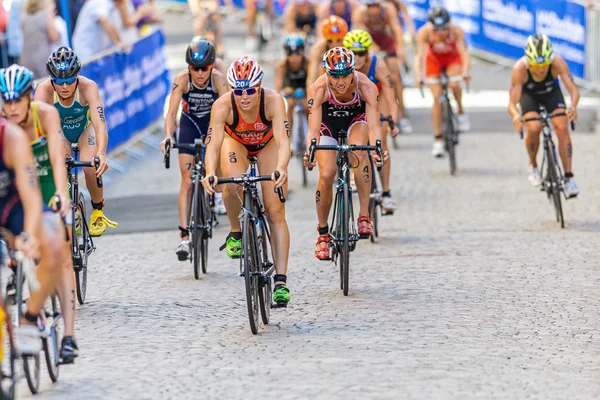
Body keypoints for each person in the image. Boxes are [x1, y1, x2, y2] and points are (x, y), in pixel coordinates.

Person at [0, 64, 79, 362]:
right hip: (13, 187)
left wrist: (61, 193)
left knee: (61, 251)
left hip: (45, 183)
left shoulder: (45, 114)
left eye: (17, 100)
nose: (12, 108)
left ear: (29, 98)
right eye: (5, 101)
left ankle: (69, 335)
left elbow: (59, 158)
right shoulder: (4, 128)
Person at [201, 56, 292, 306]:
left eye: (250, 90)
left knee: (275, 212)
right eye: (238, 90)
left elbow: (284, 141)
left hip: (267, 145)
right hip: (236, 143)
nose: (244, 96)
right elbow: (213, 144)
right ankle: (235, 231)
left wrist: (282, 168)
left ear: (260, 86)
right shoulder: (222, 106)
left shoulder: (274, 101)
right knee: (231, 183)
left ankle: (281, 281)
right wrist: (210, 171)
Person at [303, 47, 387, 259]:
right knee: (327, 173)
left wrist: (378, 148)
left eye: (345, 75)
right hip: (327, 124)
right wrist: (310, 151)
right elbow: (313, 129)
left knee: (359, 152)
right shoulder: (318, 88)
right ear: (326, 73)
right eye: (334, 76)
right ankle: (323, 234)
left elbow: (375, 126)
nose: (340, 81)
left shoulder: (366, 86)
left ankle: (364, 215)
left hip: (356, 121)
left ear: (353, 71)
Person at [35, 46, 117, 236]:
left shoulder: (88, 87)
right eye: (59, 81)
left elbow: (99, 124)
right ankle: (69, 207)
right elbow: (39, 130)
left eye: (70, 81)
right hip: (60, 134)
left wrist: (102, 154)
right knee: (61, 165)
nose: (65, 87)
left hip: (83, 130)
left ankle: (97, 211)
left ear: (77, 77)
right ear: (52, 80)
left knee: (90, 166)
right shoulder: (43, 91)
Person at [160, 38, 229, 261]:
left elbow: (229, 114)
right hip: (190, 124)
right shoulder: (182, 80)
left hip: (212, 124)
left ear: (212, 66)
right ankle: (185, 238)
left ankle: (217, 194)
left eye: (204, 69)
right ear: (189, 68)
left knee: (216, 152)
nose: (199, 74)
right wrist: (168, 136)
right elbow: (171, 114)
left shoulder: (219, 81)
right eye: (195, 69)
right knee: (187, 181)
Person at [0, 116, 61, 356]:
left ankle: (30, 318)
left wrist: (28, 235)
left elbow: (31, 195)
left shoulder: (11, 136)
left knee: (53, 246)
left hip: (13, 206)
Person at [508, 34, 580, 197]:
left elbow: (573, 90)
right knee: (534, 127)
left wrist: (573, 106)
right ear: (528, 61)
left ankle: (569, 178)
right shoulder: (519, 69)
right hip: (529, 96)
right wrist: (516, 115)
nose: (541, 69)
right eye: (535, 65)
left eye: (545, 65)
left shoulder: (558, 63)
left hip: (551, 93)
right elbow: (512, 103)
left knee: (562, 126)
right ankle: (533, 164)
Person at [343, 29, 399, 214]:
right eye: (353, 53)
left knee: (381, 141)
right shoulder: (341, 64)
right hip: (353, 101)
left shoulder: (378, 64)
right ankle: (352, 171)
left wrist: (393, 122)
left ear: (368, 52)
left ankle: (386, 192)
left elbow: (391, 96)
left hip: (377, 98)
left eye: (361, 53)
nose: (357, 58)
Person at [414, 6, 471, 158]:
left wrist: (465, 72)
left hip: (452, 59)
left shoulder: (456, 31)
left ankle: (460, 111)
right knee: (437, 97)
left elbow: (464, 53)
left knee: (453, 83)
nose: (441, 33)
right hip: (434, 61)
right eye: (437, 29)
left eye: (444, 28)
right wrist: (418, 76)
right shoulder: (424, 33)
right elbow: (419, 56)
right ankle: (438, 139)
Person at [352, 0, 412, 134]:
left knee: (394, 78)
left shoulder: (388, 9)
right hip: (369, 42)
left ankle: (402, 114)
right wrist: (372, 47)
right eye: (370, 7)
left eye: (376, 6)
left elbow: (396, 29)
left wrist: (400, 49)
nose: (374, 10)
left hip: (387, 41)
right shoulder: (360, 13)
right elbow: (358, 34)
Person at [275, 33, 308, 151]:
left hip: (304, 89)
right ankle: (288, 139)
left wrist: (308, 97)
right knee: (288, 105)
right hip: (289, 90)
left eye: (297, 53)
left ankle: (313, 136)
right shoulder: (282, 66)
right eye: (290, 53)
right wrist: (285, 92)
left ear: (303, 52)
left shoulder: (307, 64)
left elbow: (312, 83)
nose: (294, 57)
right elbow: (278, 87)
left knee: (309, 106)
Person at [20, 0, 61, 79]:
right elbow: (54, 37)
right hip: (42, 57)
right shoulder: (46, 15)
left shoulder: (23, 17)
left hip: (26, 57)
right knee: (46, 84)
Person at [307, 15, 348, 86]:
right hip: (326, 85)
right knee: (321, 68)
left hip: (346, 84)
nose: (334, 45)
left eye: (338, 40)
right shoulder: (318, 49)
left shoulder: (349, 47)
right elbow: (311, 76)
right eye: (330, 41)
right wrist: (311, 96)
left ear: (344, 38)